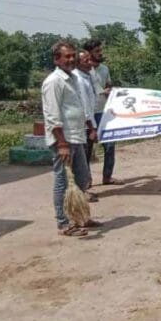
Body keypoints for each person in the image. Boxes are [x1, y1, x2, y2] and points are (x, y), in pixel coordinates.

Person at [41, 40, 102, 237]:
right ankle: (63, 223)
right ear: (56, 59)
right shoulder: (53, 82)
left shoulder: (73, 78)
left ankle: (80, 216)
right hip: (64, 139)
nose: (71, 59)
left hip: (77, 136)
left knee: (83, 179)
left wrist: (90, 127)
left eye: (72, 55)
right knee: (63, 182)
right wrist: (61, 143)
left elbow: (81, 107)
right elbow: (52, 115)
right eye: (66, 56)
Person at [85, 39, 123, 186]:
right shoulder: (83, 70)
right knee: (87, 146)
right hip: (89, 112)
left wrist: (112, 93)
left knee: (109, 144)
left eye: (100, 50)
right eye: (97, 51)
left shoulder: (104, 69)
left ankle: (107, 176)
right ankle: (86, 178)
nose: (100, 53)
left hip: (103, 111)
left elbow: (108, 86)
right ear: (89, 53)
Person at [72, 50, 98, 198]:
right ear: (78, 63)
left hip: (85, 123)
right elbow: (85, 105)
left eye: (90, 60)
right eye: (86, 61)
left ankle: (83, 187)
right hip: (84, 125)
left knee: (84, 158)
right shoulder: (79, 80)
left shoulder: (86, 76)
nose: (90, 63)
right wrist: (92, 128)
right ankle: (81, 189)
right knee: (82, 160)